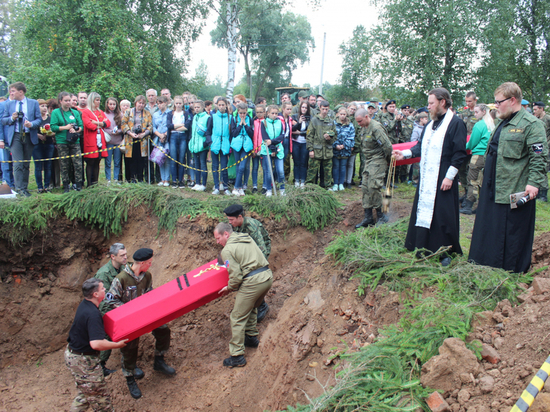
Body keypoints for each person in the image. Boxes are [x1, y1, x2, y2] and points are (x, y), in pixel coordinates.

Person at [469, 82, 547, 274]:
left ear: (512, 100)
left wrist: (533, 183)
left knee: (512, 232)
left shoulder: (531, 125)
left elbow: (540, 156)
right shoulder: (502, 122)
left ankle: (511, 270)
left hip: (515, 188)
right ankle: (488, 265)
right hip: (493, 186)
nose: (496, 106)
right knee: (491, 228)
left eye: (499, 102)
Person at [393, 88, 467, 266]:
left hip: (443, 176)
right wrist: (405, 154)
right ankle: (421, 245)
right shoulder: (430, 124)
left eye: (431, 103)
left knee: (443, 215)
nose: (428, 107)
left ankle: (444, 252)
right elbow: (420, 147)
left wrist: (449, 177)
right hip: (427, 178)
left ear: (443, 102)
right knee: (423, 211)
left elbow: (459, 153)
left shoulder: (455, 123)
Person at [105, 248, 175, 399]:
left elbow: (149, 292)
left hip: (146, 314)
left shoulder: (147, 276)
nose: (151, 265)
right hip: (127, 320)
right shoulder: (121, 279)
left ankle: (159, 360)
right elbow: (110, 299)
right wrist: (127, 311)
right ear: (142, 263)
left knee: (163, 329)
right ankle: (130, 377)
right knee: (130, 346)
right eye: (149, 263)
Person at [214, 223, 273, 368]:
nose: (217, 242)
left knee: (237, 316)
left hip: (253, 281)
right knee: (252, 307)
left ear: (226, 234)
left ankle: (237, 355)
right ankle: (251, 337)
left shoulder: (227, 250)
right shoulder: (245, 237)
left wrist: (229, 288)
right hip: (266, 277)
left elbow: (236, 277)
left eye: (218, 238)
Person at [65, 278, 127, 411]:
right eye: (103, 288)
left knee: (85, 395)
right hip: (84, 361)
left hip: (74, 355)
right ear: (95, 294)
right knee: (101, 400)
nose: (105, 289)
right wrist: (117, 345)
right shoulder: (93, 314)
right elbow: (96, 344)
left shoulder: (85, 305)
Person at [223, 204, 271, 321]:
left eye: (231, 220)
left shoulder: (251, 227)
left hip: (259, 253)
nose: (230, 223)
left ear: (240, 217)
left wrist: (254, 267)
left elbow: (262, 250)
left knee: (253, 277)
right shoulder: (234, 227)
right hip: (246, 251)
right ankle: (251, 304)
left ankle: (262, 306)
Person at [1, 82, 42, 197]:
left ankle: (24, 187)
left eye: (13, 91)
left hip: (29, 135)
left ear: (21, 92)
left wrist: (31, 124)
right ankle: (19, 188)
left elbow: (39, 120)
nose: (11, 93)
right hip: (15, 136)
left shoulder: (33, 103)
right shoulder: (8, 104)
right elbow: (3, 120)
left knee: (26, 163)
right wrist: (11, 118)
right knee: (18, 163)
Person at [354, 109, 393, 228]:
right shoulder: (363, 127)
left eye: (360, 121)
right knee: (365, 186)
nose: (359, 124)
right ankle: (368, 217)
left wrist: (386, 162)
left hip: (378, 159)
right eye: (357, 122)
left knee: (373, 186)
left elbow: (387, 146)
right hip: (369, 161)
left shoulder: (376, 128)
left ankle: (381, 216)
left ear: (366, 116)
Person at [94, 243, 128, 376]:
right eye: (122, 255)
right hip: (107, 309)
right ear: (113, 257)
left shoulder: (123, 268)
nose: (125, 257)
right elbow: (103, 299)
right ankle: (99, 366)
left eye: (126, 254)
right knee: (107, 336)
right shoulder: (104, 274)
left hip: (119, 307)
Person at [460, 104, 495, 214]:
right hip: (489, 155)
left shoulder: (479, 125)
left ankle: (468, 206)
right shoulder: (492, 124)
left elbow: (472, 142)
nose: (475, 114)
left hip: (478, 155)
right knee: (483, 181)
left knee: (472, 180)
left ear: (483, 112)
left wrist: (463, 147)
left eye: (476, 112)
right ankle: (482, 207)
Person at [50, 91, 84, 193]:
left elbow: (81, 126)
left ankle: (78, 184)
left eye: (69, 100)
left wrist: (76, 130)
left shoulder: (75, 112)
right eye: (66, 101)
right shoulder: (56, 112)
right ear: (60, 101)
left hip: (74, 141)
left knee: (77, 163)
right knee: (65, 164)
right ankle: (66, 185)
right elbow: (53, 127)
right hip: (62, 141)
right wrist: (65, 127)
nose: (68, 102)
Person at [305, 100, 336, 189]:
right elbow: (309, 135)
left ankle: (328, 187)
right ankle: (309, 187)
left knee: (327, 171)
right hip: (316, 150)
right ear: (320, 108)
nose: (325, 111)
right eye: (323, 109)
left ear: (328, 109)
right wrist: (310, 149)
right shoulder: (314, 120)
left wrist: (330, 138)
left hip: (327, 150)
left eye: (326, 109)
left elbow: (335, 135)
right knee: (312, 170)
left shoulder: (331, 121)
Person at [122, 96, 153, 183]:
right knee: (131, 159)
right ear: (135, 103)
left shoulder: (147, 113)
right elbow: (123, 124)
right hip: (130, 139)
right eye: (139, 103)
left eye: (143, 103)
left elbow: (150, 126)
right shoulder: (128, 112)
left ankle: (140, 177)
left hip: (142, 139)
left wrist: (144, 134)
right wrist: (130, 133)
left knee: (141, 159)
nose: (141, 105)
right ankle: (132, 178)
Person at [81, 92, 109, 187]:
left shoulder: (100, 112)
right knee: (90, 161)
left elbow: (107, 123)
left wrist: (98, 123)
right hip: (91, 139)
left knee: (97, 161)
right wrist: (101, 123)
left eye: (99, 100)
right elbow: (89, 125)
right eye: (97, 100)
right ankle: (89, 184)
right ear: (92, 101)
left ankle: (95, 183)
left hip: (100, 140)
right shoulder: (86, 112)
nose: (98, 102)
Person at [260, 104, 285, 196]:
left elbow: (282, 136)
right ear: (268, 113)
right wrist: (271, 148)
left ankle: (282, 189)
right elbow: (265, 137)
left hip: (278, 148)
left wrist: (274, 145)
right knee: (268, 171)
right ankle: (269, 190)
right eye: (272, 113)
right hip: (267, 149)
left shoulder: (280, 122)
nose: (274, 115)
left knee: (280, 170)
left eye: (276, 113)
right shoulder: (264, 123)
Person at [167, 95, 192, 188]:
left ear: (183, 104)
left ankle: (181, 180)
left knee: (181, 159)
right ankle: (174, 180)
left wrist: (175, 126)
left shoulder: (186, 113)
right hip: (173, 137)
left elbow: (187, 126)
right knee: (173, 159)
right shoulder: (170, 114)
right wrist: (180, 125)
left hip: (182, 137)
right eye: (176, 103)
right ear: (174, 103)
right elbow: (169, 125)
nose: (178, 105)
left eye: (180, 103)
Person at [32, 99, 56, 193]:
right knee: (38, 166)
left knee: (48, 166)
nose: (44, 108)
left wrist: (48, 134)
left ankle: (47, 186)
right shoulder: (35, 119)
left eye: (45, 106)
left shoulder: (50, 118)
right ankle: (39, 187)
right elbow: (30, 131)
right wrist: (38, 135)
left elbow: (55, 130)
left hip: (49, 144)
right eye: (42, 106)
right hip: (37, 145)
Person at [230, 103, 254, 196]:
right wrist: (240, 125)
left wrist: (246, 125)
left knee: (242, 166)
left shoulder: (250, 119)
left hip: (246, 145)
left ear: (247, 111)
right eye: (240, 113)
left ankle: (236, 187)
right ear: (238, 111)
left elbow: (251, 133)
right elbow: (234, 133)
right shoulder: (234, 118)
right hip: (236, 144)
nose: (242, 115)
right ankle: (239, 187)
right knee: (238, 166)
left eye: (244, 113)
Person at [209, 97, 231, 195]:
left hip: (225, 144)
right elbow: (208, 131)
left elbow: (231, 132)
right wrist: (210, 142)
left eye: (223, 105)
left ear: (226, 105)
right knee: (215, 166)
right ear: (217, 105)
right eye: (219, 105)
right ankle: (216, 186)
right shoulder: (212, 117)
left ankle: (225, 187)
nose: (221, 107)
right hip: (215, 143)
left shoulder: (229, 118)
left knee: (224, 166)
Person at [189, 100, 211, 191]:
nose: (196, 109)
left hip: (202, 145)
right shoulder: (194, 117)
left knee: (203, 164)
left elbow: (209, 132)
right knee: (196, 164)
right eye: (195, 107)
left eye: (198, 107)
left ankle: (204, 184)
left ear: (203, 107)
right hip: (194, 145)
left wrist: (205, 143)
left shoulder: (207, 117)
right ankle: (197, 182)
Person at [332, 107, 355, 191]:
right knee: (335, 166)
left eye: (344, 114)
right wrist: (336, 145)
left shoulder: (350, 125)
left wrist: (344, 145)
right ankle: (335, 183)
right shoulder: (333, 123)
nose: (342, 116)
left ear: (346, 115)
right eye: (341, 114)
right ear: (338, 114)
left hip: (345, 150)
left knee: (343, 167)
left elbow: (351, 137)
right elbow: (331, 136)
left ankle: (341, 183)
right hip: (335, 150)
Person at [152, 95, 171, 187]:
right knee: (159, 158)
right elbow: (153, 127)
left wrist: (164, 135)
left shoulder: (170, 113)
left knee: (166, 159)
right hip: (158, 139)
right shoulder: (155, 114)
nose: (160, 105)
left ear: (166, 103)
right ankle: (161, 179)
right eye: (158, 103)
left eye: (161, 103)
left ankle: (166, 179)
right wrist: (159, 135)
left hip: (167, 138)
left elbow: (171, 125)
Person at [103, 97, 124, 184]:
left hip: (118, 141)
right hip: (108, 141)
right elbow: (102, 127)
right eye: (110, 104)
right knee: (108, 162)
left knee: (117, 161)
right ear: (107, 104)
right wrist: (110, 132)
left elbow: (123, 128)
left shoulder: (120, 114)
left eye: (114, 104)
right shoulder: (104, 114)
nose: (112, 106)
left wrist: (118, 131)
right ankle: (108, 179)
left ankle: (116, 179)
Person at [533, 101, 550, 202]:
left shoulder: (547, 118)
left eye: (536, 109)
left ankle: (543, 194)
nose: (534, 111)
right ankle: (538, 191)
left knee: (544, 169)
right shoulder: (536, 119)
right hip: (538, 148)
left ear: (541, 109)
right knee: (538, 168)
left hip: (547, 148)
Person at [291, 101, 310, 188]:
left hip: (305, 142)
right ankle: (296, 180)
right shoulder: (294, 117)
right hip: (296, 142)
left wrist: (300, 133)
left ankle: (303, 181)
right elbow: (292, 129)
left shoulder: (310, 118)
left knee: (304, 162)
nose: (304, 109)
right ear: (300, 108)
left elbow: (310, 131)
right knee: (296, 162)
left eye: (306, 107)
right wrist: (299, 122)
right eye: (302, 107)